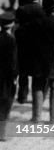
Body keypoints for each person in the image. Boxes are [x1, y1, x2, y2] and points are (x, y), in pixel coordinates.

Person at [0, 11, 17, 142]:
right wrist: (14, 77)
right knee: (5, 104)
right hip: (6, 78)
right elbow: (12, 62)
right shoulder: (11, 40)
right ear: (11, 24)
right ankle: (2, 133)